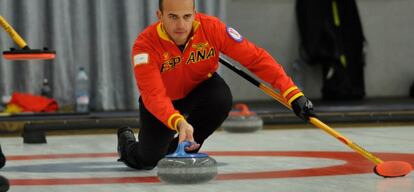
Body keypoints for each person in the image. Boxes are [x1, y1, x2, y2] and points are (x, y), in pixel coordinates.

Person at [117, 0, 316, 170]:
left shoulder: (212, 28)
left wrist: (293, 94)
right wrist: (177, 121)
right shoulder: (144, 46)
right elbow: (153, 94)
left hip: (200, 90)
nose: (181, 25)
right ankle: (126, 141)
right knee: (147, 160)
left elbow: (256, 59)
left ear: (195, 13)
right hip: (163, 101)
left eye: (187, 16)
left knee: (220, 98)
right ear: (159, 15)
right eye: (173, 17)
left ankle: (179, 150)